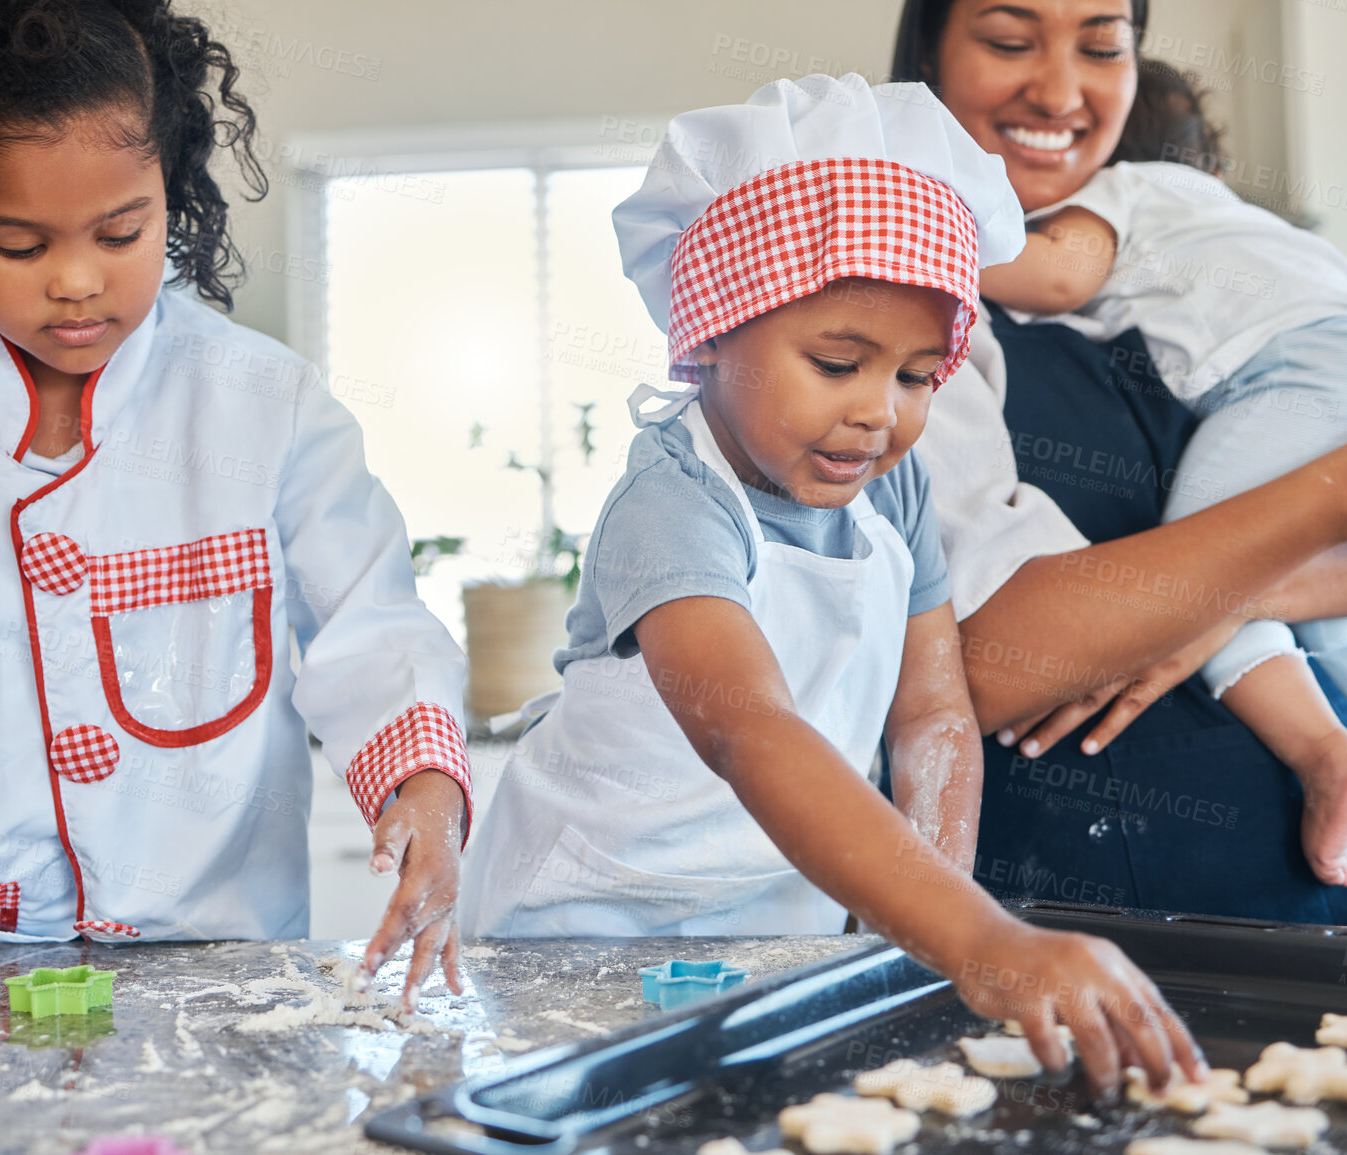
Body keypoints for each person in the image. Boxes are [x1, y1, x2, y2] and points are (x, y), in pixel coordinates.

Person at [462, 74, 1205, 1093]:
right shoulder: (675, 504)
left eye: (912, 376)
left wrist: (930, 930)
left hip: (777, 919)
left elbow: (933, 718)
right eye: (837, 361)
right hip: (588, 932)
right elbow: (750, 731)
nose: (878, 414)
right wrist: (983, 939)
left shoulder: (891, 499)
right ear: (712, 331)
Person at [0, 0, 467, 1002]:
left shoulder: (265, 407)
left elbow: (371, 622)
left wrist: (423, 788)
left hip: (202, 970)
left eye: (122, 231)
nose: (78, 282)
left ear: (169, 190)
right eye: (20, 246)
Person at [891, 0, 1347, 923]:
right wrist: (1320, 510)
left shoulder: (1167, 292)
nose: (1058, 89)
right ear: (927, 56)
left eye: (1101, 46)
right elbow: (989, 665)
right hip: (1098, 915)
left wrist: (1212, 600)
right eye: (1008, 41)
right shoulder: (909, 322)